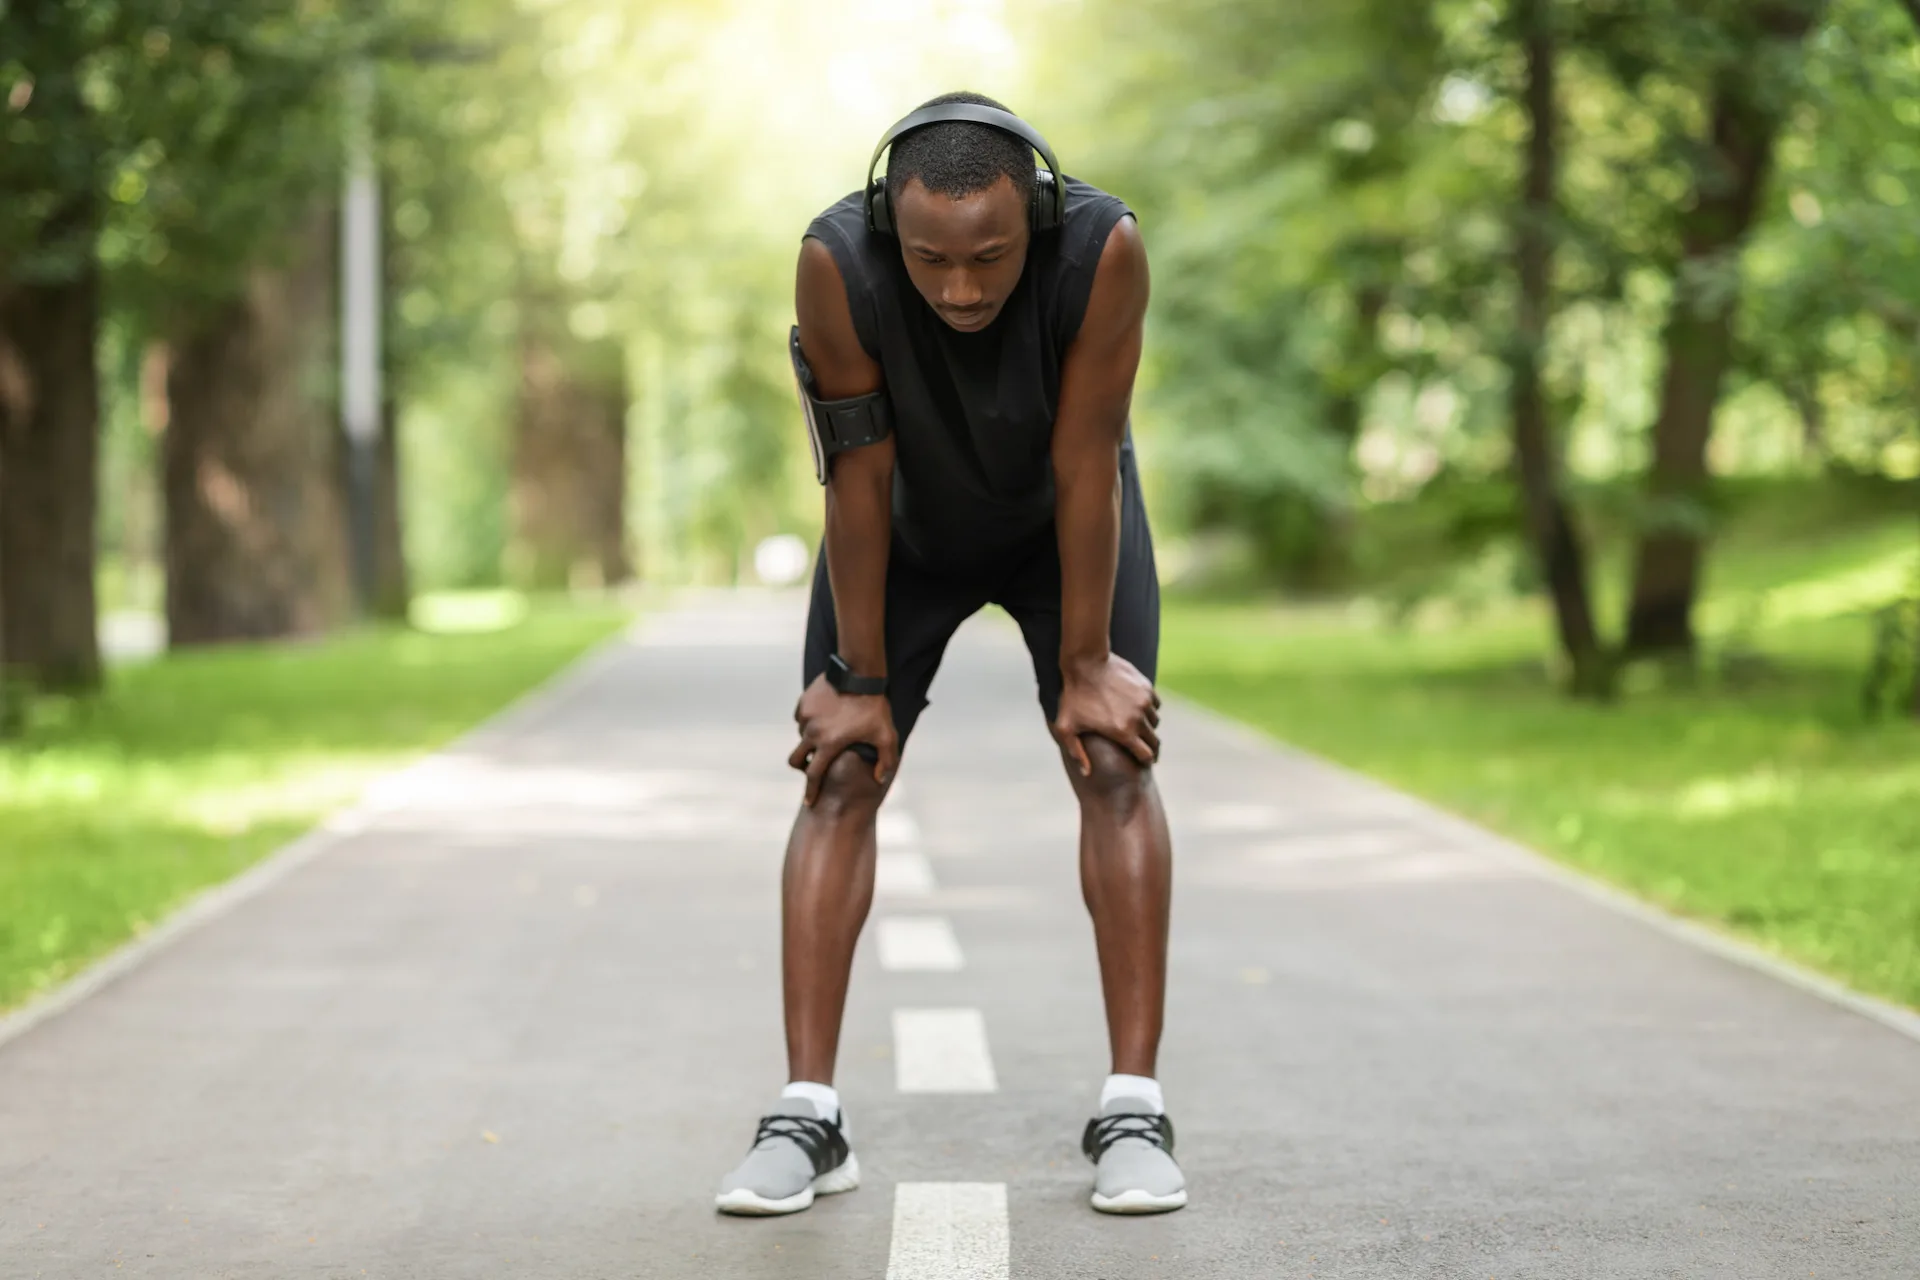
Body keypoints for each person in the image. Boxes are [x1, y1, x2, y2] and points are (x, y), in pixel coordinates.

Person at [715, 91, 1183, 1218]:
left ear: (1038, 213)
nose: (963, 288)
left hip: (1064, 526)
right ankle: (807, 1116)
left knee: (1113, 756)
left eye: (991, 256)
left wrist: (1085, 663)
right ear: (892, 227)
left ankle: (1134, 1108)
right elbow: (857, 475)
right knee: (840, 769)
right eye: (931, 259)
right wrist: (861, 684)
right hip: (902, 529)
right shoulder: (837, 263)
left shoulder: (1102, 248)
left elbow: (1086, 460)